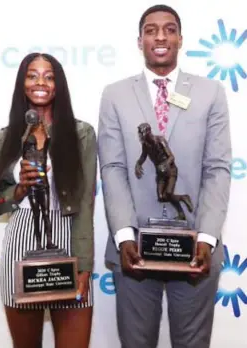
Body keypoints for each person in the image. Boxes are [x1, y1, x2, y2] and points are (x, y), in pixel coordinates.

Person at [98, 4, 231, 348]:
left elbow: (217, 168)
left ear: (180, 39)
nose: (160, 36)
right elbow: (112, 168)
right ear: (139, 40)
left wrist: (206, 237)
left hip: (195, 251)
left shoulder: (210, 92)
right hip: (134, 252)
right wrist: (125, 234)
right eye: (151, 30)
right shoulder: (115, 95)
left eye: (169, 29)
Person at [0, 52, 97, 348]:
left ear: (59, 85)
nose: (40, 82)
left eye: (49, 76)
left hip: (69, 242)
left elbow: (85, 205)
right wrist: (17, 192)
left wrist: (84, 264)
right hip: (21, 247)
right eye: (32, 75)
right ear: (22, 83)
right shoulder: (3, 140)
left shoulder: (81, 134)